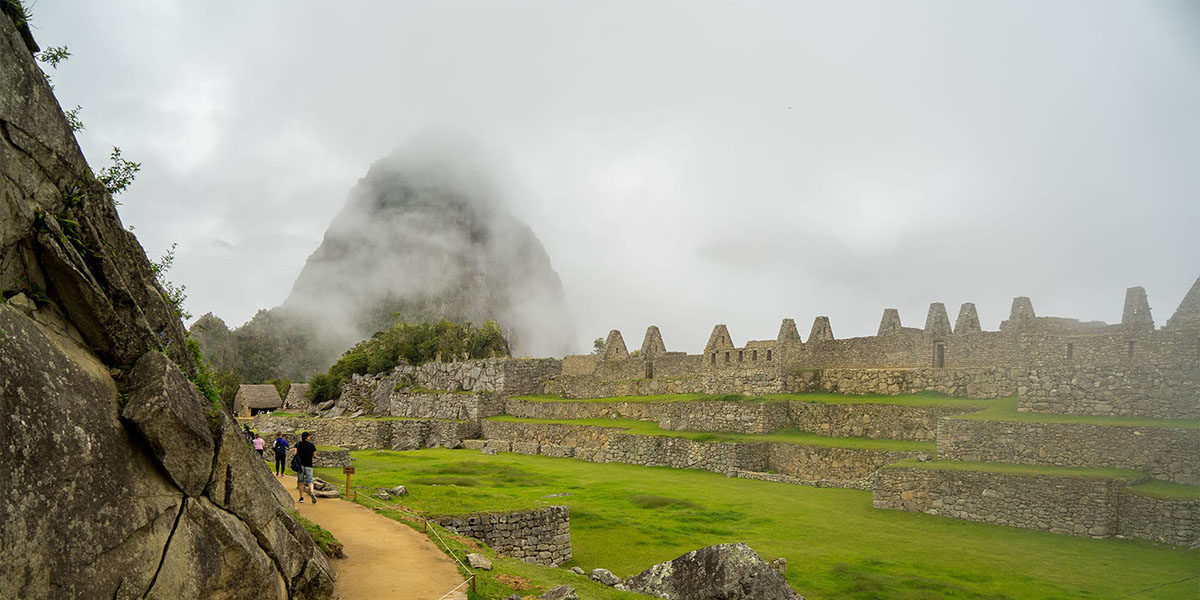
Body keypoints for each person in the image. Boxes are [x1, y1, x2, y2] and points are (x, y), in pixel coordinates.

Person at [294, 432, 317, 504]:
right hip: (309, 465)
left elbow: (294, 453)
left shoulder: (298, 444)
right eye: (309, 436)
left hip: (300, 466)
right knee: (310, 481)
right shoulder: (311, 445)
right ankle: (312, 492)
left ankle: (301, 498)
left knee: (300, 482)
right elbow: (314, 455)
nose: (309, 437)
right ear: (306, 437)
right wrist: (310, 457)